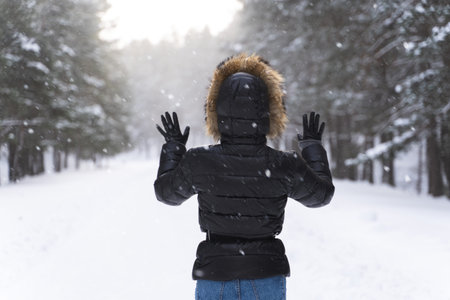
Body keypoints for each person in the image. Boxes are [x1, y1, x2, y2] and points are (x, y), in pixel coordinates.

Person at [154, 53, 334, 300]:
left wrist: (174, 149)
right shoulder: (284, 164)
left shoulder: (199, 160)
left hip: (214, 274)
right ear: (269, 111)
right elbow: (321, 196)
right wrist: (312, 148)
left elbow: (166, 194)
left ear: (216, 111)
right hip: (266, 275)